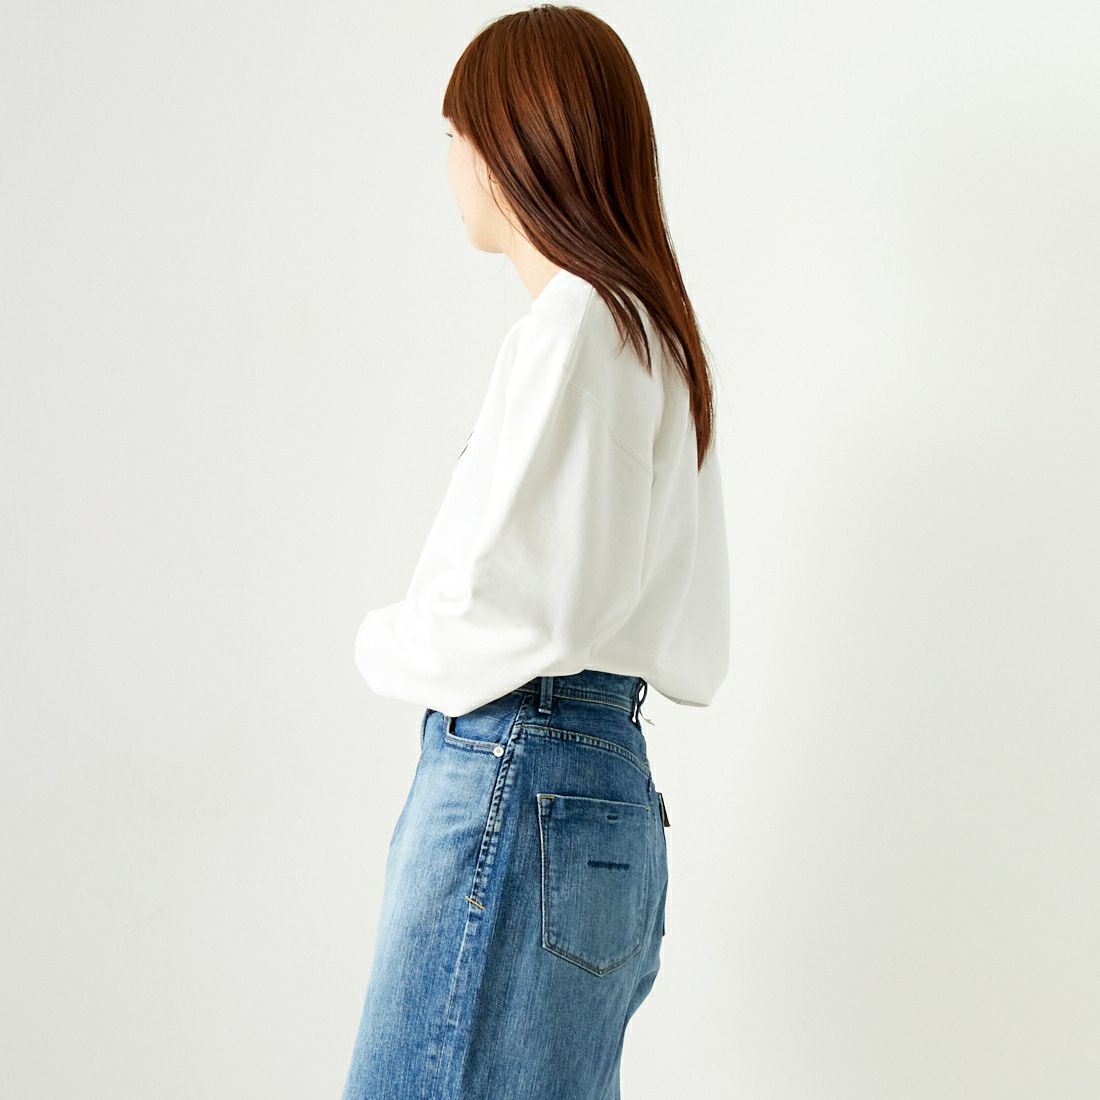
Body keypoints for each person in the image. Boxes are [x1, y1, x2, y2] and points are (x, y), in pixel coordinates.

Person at [340, 7, 729, 1098]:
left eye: (454, 132)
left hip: (518, 763)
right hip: (602, 773)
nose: (450, 161)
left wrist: (381, 641)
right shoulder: (652, 334)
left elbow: (536, 605)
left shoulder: (577, 325)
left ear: (511, 145)